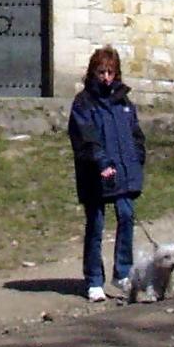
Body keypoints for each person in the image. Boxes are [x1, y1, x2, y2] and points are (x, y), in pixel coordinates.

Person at [68, 46, 147, 301]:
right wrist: (101, 163)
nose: (106, 77)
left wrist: (137, 161)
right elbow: (85, 137)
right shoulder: (83, 103)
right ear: (93, 72)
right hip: (95, 174)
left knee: (126, 215)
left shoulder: (124, 102)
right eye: (101, 72)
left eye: (111, 72)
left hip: (124, 172)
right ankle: (93, 280)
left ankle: (122, 272)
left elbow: (135, 135)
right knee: (96, 225)